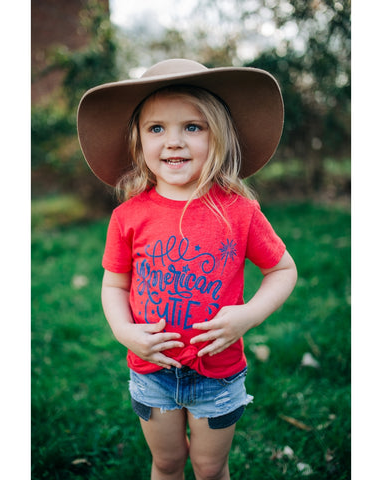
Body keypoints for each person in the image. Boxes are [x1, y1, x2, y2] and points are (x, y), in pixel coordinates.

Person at [77, 58, 297, 480]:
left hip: (219, 372)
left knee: (210, 467)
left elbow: (284, 270)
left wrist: (248, 315)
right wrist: (126, 332)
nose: (173, 141)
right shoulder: (128, 216)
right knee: (167, 462)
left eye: (192, 127)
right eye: (156, 128)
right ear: (138, 141)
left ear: (219, 137)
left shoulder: (240, 212)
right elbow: (113, 284)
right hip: (151, 370)